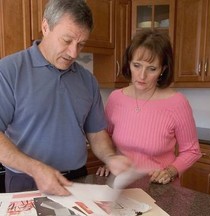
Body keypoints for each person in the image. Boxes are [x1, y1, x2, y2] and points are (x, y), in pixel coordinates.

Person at [0, 0, 131, 195]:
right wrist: (35, 168)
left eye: (81, 44)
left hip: (77, 179)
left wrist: (110, 157)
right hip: (27, 180)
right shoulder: (9, 71)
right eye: (67, 40)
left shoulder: (87, 80)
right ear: (45, 27)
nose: (73, 53)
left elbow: (96, 133)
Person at [96, 29, 201, 184]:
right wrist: (109, 160)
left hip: (159, 188)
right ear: (129, 63)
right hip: (121, 186)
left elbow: (192, 151)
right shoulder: (116, 98)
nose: (142, 75)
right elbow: (106, 137)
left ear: (163, 70)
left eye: (152, 68)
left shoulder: (177, 103)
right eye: (137, 65)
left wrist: (170, 171)